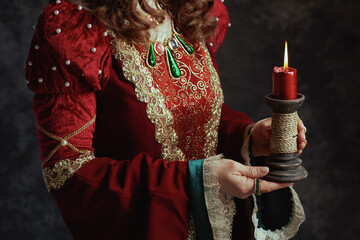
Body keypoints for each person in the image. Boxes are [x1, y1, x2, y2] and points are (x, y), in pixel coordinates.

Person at [26, 0, 307, 239]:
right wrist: (196, 180)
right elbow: (67, 173)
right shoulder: (77, 31)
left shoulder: (189, 11)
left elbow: (198, 120)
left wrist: (248, 136)